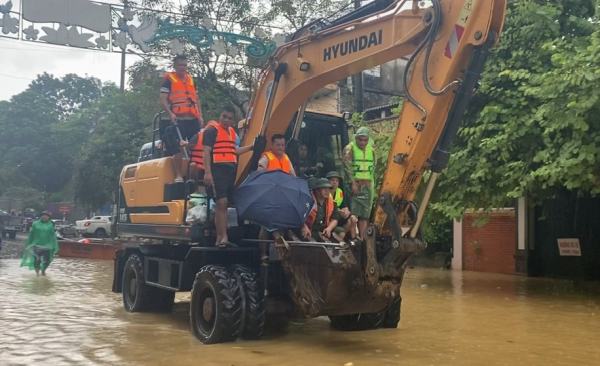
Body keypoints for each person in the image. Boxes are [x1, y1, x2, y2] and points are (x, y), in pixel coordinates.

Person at [203, 106, 253, 247]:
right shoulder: (212, 131)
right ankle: (222, 237)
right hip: (217, 169)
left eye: (229, 118)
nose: (226, 120)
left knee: (227, 204)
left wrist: (251, 147)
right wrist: (208, 173)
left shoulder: (231, 132)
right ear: (220, 116)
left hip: (230, 171)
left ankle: (221, 238)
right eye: (224, 116)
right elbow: (206, 152)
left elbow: (233, 150)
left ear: (233, 120)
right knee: (221, 203)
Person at [160, 54, 204, 183]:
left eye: (185, 65)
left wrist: (200, 115)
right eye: (180, 65)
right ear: (175, 66)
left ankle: (195, 174)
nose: (183, 67)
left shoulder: (191, 79)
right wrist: (170, 113)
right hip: (178, 118)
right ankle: (178, 175)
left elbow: (197, 99)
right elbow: (163, 98)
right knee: (178, 147)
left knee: (196, 144)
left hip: (192, 118)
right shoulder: (169, 80)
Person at [343, 126, 376, 240]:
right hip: (355, 185)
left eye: (365, 140)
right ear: (356, 138)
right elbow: (347, 167)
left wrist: (371, 185)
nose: (362, 142)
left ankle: (363, 239)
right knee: (354, 213)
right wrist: (352, 182)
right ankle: (353, 238)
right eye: (360, 140)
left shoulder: (372, 150)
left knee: (364, 215)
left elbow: (373, 167)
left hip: (367, 186)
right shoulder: (349, 148)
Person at [20, 210, 59, 276]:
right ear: (40, 216)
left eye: (46, 215)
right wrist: (29, 244)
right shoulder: (35, 224)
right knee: (37, 260)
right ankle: (37, 273)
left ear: (49, 217)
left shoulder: (50, 225)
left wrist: (54, 245)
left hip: (47, 246)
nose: (44, 216)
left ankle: (43, 271)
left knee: (47, 261)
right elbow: (31, 235)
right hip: (36, 245)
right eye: (43, 215)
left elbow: (53, 236)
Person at [326, 171, 357, 240]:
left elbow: (344, 205)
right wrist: (338, 211)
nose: (335, 182)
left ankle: (354, 240)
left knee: (353, 218)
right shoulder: (325, 193)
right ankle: (336, 237)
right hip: (330, 218)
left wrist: (346, 211)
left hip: (339, 217)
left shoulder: (340, 192)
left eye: (337, 181)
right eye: (332, 180)